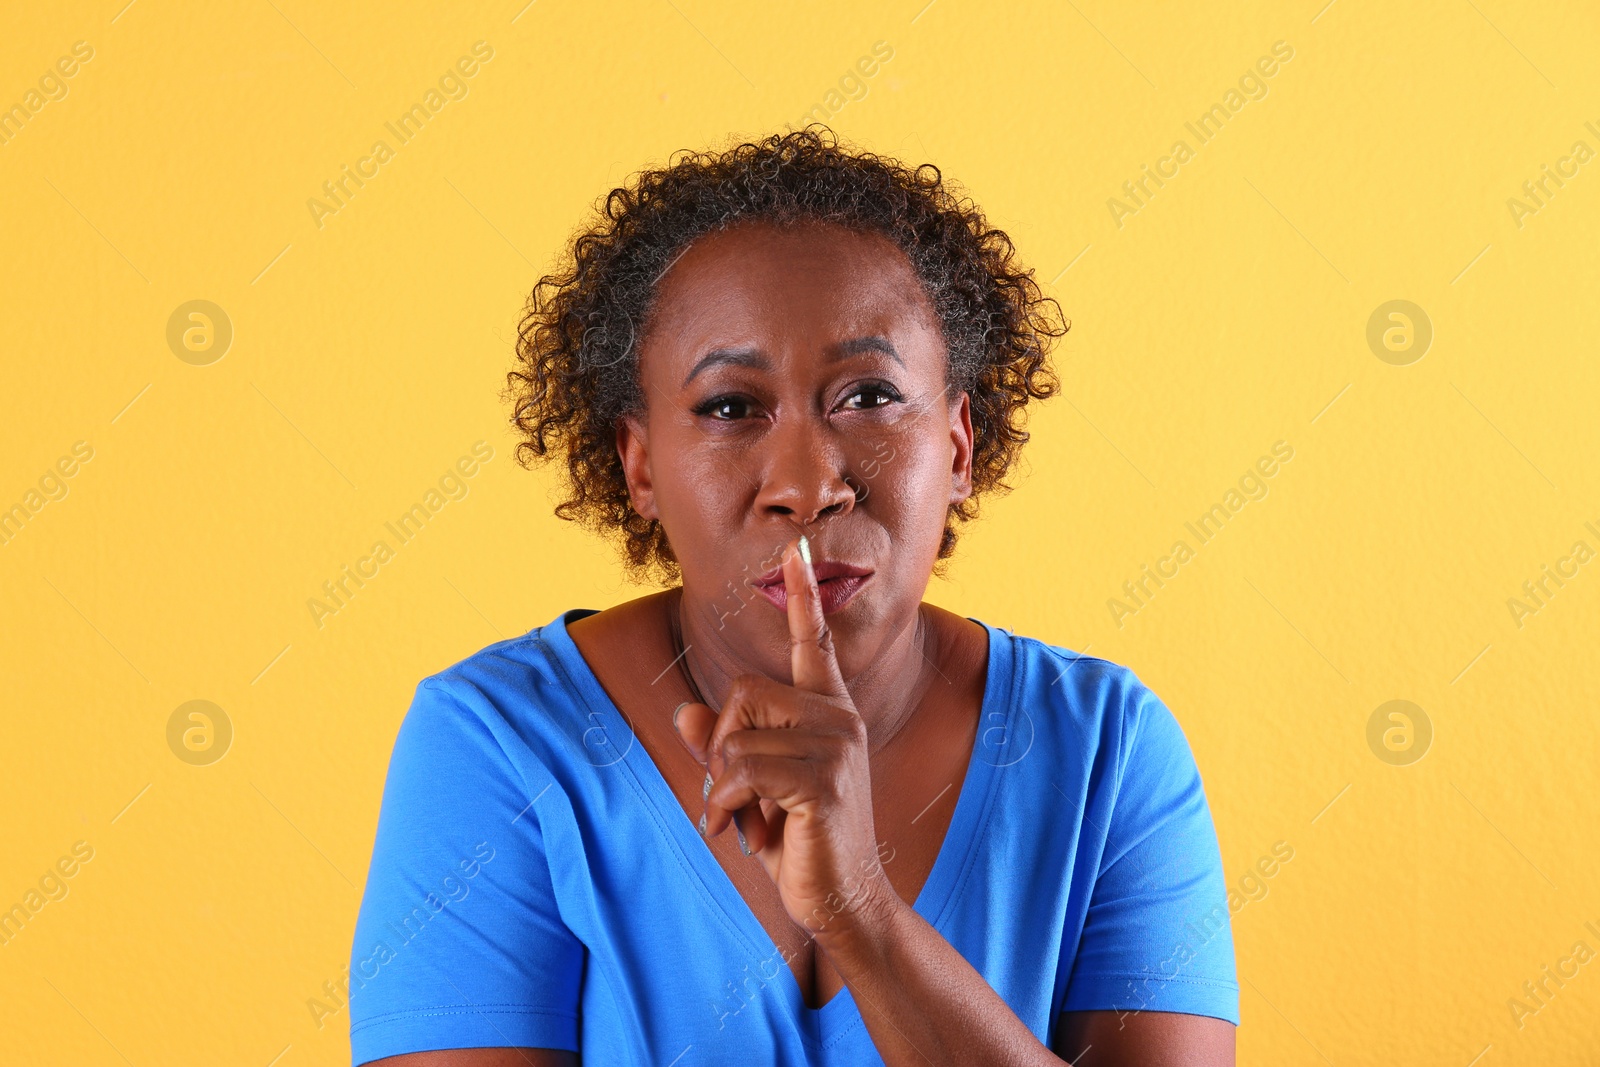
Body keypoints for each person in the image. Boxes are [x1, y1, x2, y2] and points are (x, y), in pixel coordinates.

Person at [349, 126, 1238, 1066]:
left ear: (960, 445)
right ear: (638, 463)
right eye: (730, 407)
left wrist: (862, 913)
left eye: (869, 396)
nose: (809, 483)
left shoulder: (1107, 751)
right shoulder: (496, 743)